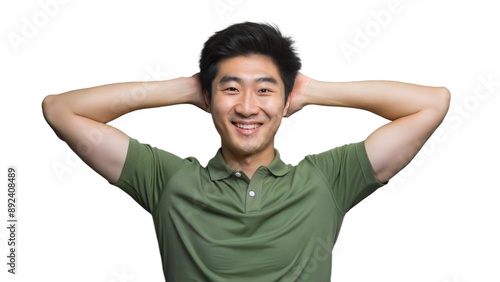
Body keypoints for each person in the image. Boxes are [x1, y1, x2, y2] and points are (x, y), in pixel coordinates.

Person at [42, 22, 450, 281]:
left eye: (266, 90)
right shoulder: (168, 180)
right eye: (231, 88)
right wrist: (189, 88)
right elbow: (60, 110)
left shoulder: (327, 180)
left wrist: (312, 91)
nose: (248, 106)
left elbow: (433, 103)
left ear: (286, 100)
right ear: (209, 97)